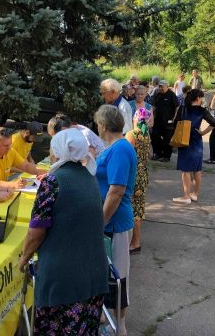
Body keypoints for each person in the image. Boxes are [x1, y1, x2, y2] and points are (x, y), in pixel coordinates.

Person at [17, 129, 108, 335]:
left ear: (58, 152)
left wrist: (24, 258)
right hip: (93, 274)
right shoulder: (89, 177)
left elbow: (36, 233)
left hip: (64, 280)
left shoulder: (53, 181)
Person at [94, 105, 137, 335]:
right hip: (110, 221)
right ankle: (105, 317)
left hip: (114, 223)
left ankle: (120, 327)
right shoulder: (114, 147)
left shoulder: (120, 149)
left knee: (118, 277)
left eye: (97, 124)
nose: (97, 127)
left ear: (103, 125)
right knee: (107, 275)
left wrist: (100, 223)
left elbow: (116, 191)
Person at [173, 89, 215, 204]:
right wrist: (203, 132)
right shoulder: (202, 110)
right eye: (201, 98)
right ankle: (195, 194)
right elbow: (214, 123)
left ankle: (186, 196)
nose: (202, 100)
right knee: (197, 169)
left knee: (185, 170)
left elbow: (175, 123)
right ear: (198, 98)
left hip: (184, 139)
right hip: (197, 140)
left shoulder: (182, 109)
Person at [126, 108, 151, 253]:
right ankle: (136, 241)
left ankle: (134, 242)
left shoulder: (131, 134)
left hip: (133, 174)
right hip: (143, 174)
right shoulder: (146, 134)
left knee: (131, 207)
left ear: (134, 119)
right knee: (139, 208)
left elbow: (127, 156)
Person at [150, 80, 180, 162]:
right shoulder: (158, 95)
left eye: (162, 86)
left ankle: (166, 156)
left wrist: (174, 118)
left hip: (168, 122)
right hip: (157, 121)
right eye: (159, 86)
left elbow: (177, 107)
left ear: (167, 86)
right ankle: (157, 153)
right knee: (155, 137)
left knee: (167, 139)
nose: (160, 88)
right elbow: (154, 107)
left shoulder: (172, 95)